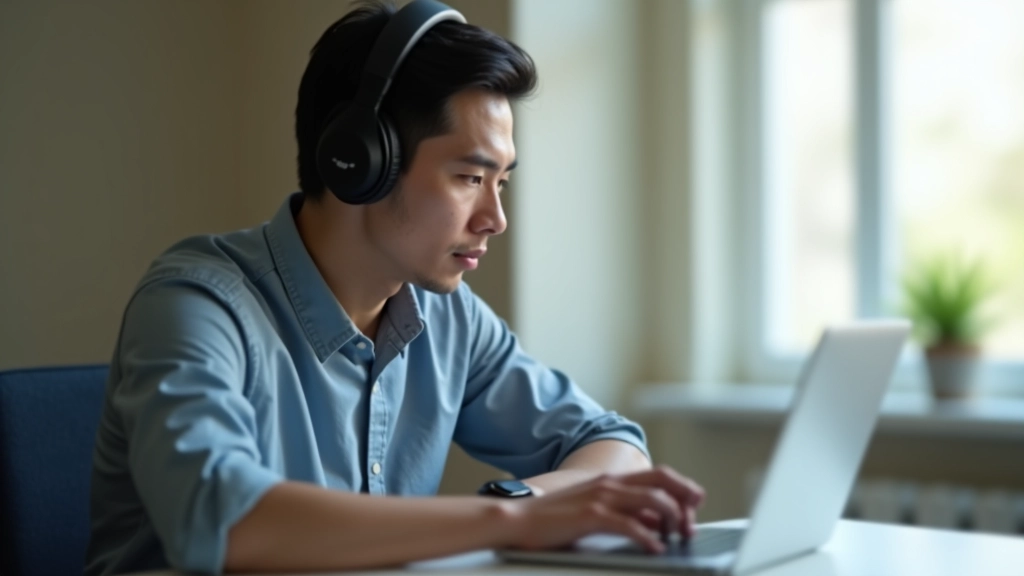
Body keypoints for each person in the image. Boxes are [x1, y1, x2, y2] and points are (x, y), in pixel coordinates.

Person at [84, 1, 704, 574]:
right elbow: (227, 523)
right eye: (468, 177)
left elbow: (612, 444)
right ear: (360, 163)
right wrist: (512, 521)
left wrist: (528, 502)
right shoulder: (195, 306)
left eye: (501, 182)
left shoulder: (449, 317)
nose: (495, 219)